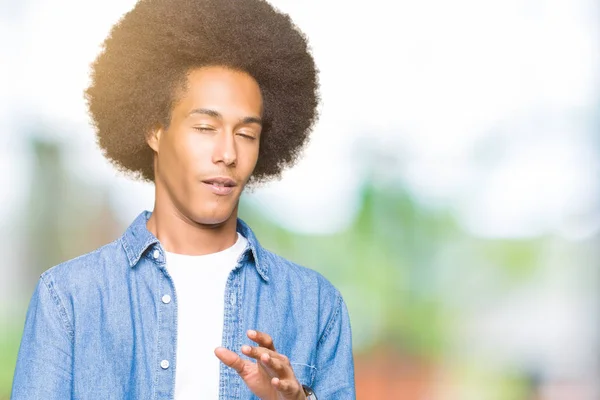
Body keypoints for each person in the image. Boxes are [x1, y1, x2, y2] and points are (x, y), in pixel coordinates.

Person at [10, 0, 356, 399]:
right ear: (154, 131)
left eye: (246, 134)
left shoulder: (315, 305)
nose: (227, 153)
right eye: (206, 127)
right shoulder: (69, 298)